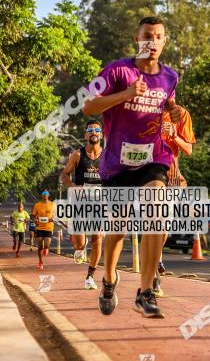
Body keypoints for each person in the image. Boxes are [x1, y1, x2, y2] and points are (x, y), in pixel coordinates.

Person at [82, 16, 182, 318]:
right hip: (117, 165)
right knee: (117, 232)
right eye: (147, 36)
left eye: (159, 36)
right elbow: (88, 105)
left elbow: (167, 102)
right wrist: (125, 95)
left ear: (165, 41)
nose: (153, 42)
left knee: (157, 211)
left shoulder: (170, 76)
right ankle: (110, 280)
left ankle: (146, 290)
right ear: (136, 40)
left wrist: (173, 111)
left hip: (154, 158)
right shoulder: (117, 70)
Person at [153, 105, 195, 295]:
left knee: (163, 227)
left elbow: (188, 149)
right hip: (147, 172)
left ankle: (156, 259)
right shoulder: (144, 110)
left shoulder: (181, 114)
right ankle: (154, 275)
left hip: (172, 176)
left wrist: (174, 136)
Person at [60, 119, 104, 290]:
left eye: (97, 130)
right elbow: (64, 175)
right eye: (90, 130)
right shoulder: (78, 155)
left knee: (97, 237)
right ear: (86, 134)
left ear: (101, 134)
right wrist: (73, 187)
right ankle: (79, 248)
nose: (94, 132)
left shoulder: (107, 156)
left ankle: (90, 277)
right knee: (79, 243)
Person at [31, 190, 56, 270]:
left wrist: (53, 219)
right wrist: (35, 220)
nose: (45, 195)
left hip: (49, 227)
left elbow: (56, 215)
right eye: (43, 194)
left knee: (46, 245)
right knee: (39, 245)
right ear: (41, 196)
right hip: (39, 227)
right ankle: (40, 262)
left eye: (46, 194)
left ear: (48, 195)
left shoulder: (52, 204)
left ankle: (46, 249)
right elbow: (33, 215)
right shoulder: (37, 205)